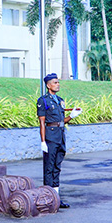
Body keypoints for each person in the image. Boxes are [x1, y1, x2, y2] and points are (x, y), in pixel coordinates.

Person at [37, 73, 82, 209]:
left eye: (58, 82)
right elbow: (42, 122)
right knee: (49, 167)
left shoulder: (60, 100)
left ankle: (56, 198)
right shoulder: (43, 100)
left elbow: (62, 121)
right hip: (50, 136)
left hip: (60, 136)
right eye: (55, 83)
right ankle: (47, 198)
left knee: (57, 167)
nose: (58, 84)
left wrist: (72, 116)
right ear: (48, 85)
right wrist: (43, 141)